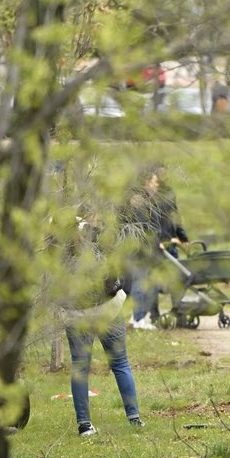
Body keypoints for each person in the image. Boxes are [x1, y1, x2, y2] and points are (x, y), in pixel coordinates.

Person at [62, 217, 143, 437]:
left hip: (77, 315)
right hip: (109, 310)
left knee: (80, 368)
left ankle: (84, 424)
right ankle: (134, 417)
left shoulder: (59, 254)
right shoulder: (102, 242)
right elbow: (125, 269)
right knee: (120, 364)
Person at [121, 164, 189, 329]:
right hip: (142, 250)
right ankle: (137, 319)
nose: (156, 185)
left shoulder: (149, 200)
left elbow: (165, 221)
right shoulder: (138, 201)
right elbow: (144, 227)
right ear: (146, 182)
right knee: (139, 283)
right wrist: (157, 242)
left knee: (146, 283)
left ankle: (139, 317)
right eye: (154, 182)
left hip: (152, 248)